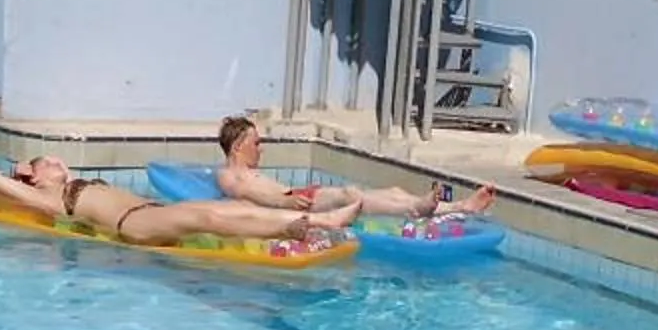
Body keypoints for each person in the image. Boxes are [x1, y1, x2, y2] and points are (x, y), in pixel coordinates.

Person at [0, 156, 340, 249]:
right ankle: (288, 229)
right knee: (208, 218)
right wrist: (20, 171)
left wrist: (60, 171)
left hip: (150, 211)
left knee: (227, 208)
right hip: (134, 225)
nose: (58, 162)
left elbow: (64, 171)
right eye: (48, 163)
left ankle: (324, 221)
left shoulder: (72, 183)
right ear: (33, 175)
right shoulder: (47, 197)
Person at [210, 115, 495, 223]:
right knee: (350, 195)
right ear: (238, 146)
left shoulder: (243, 172)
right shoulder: (229, 175)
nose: (261, 148)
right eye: (257, 143)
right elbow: (249, 193)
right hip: (298, 202)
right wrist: (284, 201)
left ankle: (461, 206)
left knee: (392, 190)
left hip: (298, 196)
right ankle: (416, 209)